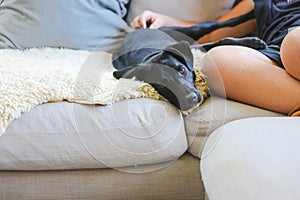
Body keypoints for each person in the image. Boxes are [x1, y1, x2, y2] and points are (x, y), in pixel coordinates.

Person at [130, 0, 300, 115]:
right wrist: (163, 21)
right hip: (277, 56)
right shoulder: (261, 3)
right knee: (216, 61)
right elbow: (211, 33)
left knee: (294, 44)